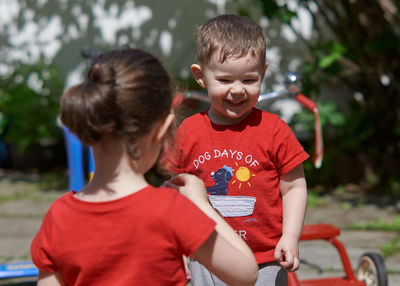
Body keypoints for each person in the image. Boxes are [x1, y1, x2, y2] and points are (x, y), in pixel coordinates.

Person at [30, 48, 258, 286]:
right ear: (163, 128)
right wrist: (201, 204)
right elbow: (246, 272)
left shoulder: (59, 216)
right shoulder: (172, 210)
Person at [163, 14, 309, 286]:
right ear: (201, 77)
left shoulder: (274, 129)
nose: (238, 90)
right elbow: (175, 193)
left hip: (265, 257)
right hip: (206, 255)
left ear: (263, 73)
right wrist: (177, 245)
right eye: (226, 80)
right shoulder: (189, 131)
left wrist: (290, 236)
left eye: (250, 80)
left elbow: (294, 187)